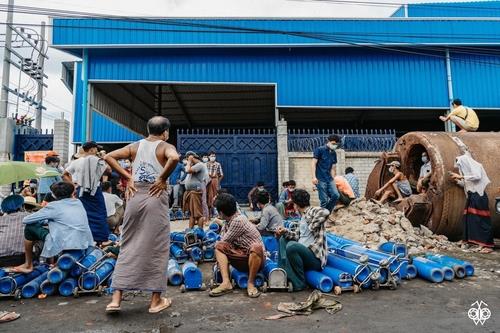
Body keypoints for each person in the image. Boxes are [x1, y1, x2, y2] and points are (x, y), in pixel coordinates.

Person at [103, 116, 179, 314]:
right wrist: (162, 178)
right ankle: (155, 301)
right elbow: (175, 157)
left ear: (148, 129)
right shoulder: (165, 146)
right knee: (158, 246)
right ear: (165, 132)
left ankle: (115, 299)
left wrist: (128, 177)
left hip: (135, 196)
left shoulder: (135, 146)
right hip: (155, 195)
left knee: (128, 243)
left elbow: (108, 157)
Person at [12, 182, 94, 273]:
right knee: (53, 229)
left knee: (29, 227)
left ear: (53, 195)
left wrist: (43, 219)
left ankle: (28, 265)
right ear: (72, 193)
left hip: (65, 242)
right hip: (84, 241)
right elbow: (64, 219)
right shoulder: (78, 202)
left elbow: (26, 220)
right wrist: (47, 220)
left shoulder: (53, 206)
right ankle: (51, 260)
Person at [209, 193, 264, 298]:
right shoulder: (230, 219)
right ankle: (226, 283)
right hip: (242, 257)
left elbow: (225, 239)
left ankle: (251, 283)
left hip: (256, 260)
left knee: (256, 247)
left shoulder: (238, 221)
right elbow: (222, 242)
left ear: (221, 212)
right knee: (219, 246)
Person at [275, 189, 329, 291]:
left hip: (314, 257)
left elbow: (325, 212)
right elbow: (296, 236)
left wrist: (312, 225)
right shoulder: (302, 217)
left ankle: (299, 283)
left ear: (296, 204)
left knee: (292, 246)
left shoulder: (311, 211)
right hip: (302, 253)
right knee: (283, 239)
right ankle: (283, 272)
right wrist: (284, 231)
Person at [64, 141, 109, 243]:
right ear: (92, 149)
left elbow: (64, 174)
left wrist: (73, 186)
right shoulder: (97, 160)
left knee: (83, 214)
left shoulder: (76, 162)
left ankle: (85, 238)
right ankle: (99, 239)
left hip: (80, 191)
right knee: (99, 214)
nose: (97, 151)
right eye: (96, 149)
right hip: (95, 190)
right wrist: (103, 158)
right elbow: (109, 170)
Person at [449, 152, 494, 253]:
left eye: (461, 164)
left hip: (479, 196)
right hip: (472, 196)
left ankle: (487, 245)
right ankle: (470, 241)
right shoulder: (468, 174)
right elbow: (469, 184)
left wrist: (461, 177)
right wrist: (458, 180)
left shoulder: (477, 166)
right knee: (469, 219)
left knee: (482, 221)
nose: (461, 167)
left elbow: (477, 177)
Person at [0, 195, 32, 266]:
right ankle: (49, 263)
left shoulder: (1, 219)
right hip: (22, 258)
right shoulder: (29, 216)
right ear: (21, 206)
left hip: (1, 259)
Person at [312, 134, 341, 211]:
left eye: (336, 144)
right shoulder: (319, 150)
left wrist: (333, 179)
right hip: (320, 179)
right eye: (333, 143)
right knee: (324, 200)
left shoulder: (333, 153)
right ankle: (324, 218)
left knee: (336, 195)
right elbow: (313, 163)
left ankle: (326, 212)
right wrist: (314, 177)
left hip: (329, 179)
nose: (334, 145)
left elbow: (333, 168)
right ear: (328, 142)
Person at [183, 151, 209, 229]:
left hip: (195, 192)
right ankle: (191, 231)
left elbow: (187, 170)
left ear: (192, 157)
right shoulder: (194, 166)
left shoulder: (200, 165)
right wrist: (190, 162)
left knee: (198, 214)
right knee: (192, 214)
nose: (187, 161)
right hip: (190, 192)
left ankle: (200, 231)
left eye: (188, 159)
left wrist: (189, 161)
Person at [206, 151, 224, 216]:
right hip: (207, 181)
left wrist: (218, 182)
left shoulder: (217, 164)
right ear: (209, 157)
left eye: (214, 156)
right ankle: (209, 212)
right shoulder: (206, 164)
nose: (213, 157)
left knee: (215, 196)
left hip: (215, 181)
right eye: (211, 156)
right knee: (208, 196)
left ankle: (216, 212)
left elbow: (221, 175)